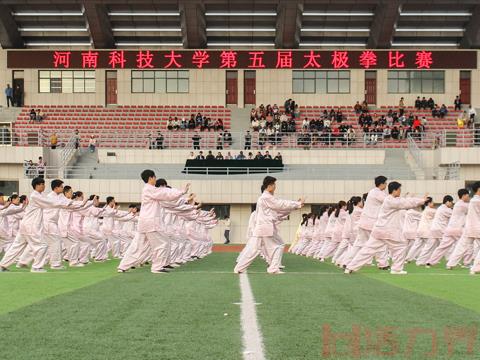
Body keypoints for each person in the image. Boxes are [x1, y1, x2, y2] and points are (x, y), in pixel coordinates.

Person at [0, 177, 80, 272]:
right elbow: (52, 203)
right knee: (42, 245)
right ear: (37, 185)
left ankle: (3, 265)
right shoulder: (36, 196)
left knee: (17, 246)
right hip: (31, 226)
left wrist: (74, 204)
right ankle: (37, 267)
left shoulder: (40, 195)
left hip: (26, 225)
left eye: (44, 184)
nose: (44, 186)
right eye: (42, 184)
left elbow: (55, 202)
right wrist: (70, 204)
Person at [346, 182, 427, 275]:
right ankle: (396, 269)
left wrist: (417, 199)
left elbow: (405, 201)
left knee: (367, 250)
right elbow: (405, 203)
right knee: (400, 247)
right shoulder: (390, 201)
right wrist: (421, 200)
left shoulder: (392, 199)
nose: (400, 191)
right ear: (395, 190)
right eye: (399, 189)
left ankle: (350, 267)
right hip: (387, 231)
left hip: (379, 231)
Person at [118, 170, 189, 274]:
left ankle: (123, 266)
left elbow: (166, 196)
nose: (155, 179)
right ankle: (157, 267)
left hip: (145, 223)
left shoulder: (150, 190)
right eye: (155, 177)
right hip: (150, 223)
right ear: (151, 178)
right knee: (163, 243)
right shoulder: (150, 189)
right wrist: (181, 191)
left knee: (138, 246)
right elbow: (165, 193)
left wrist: (181, 195)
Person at [234, 176, 304, 274]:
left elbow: (279, 211)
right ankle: (273, 268)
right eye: (274, 184)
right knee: (279, 245)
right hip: (265, 228)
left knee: (254, 250)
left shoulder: (266, 198)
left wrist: (295, 206)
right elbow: (280, 205)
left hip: (263, 228)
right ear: (270, 186)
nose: (275, 187)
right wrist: (296, 204)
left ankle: (239, 268)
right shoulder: (266, 197)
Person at [427, 189, 469, 267]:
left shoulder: (456, 206)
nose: (468, 197)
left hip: (449, 229)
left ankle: (431, 262)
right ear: (463, 196)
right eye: (467, 195)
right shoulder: (462, 205)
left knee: (442, 247)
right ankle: (466, 263)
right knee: (467, 244)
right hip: (457, 229)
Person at [448, 182, 480, 271]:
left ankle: (451, 264)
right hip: (477, 228)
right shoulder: (476, 201)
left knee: (461, 246)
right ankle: (476, 267)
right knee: (462, 246)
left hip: (469, 228)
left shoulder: (473, 201)